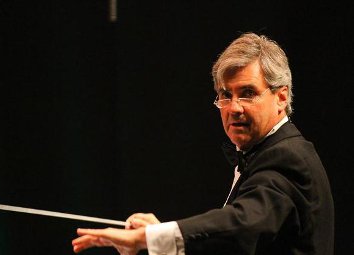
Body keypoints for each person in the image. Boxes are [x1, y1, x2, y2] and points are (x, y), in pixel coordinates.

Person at [71, 32, 334, 255]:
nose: (234, 108)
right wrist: (159, 232)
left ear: (281, 97)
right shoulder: (267, 152)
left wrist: (150, 238)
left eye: (248, 93)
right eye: (225, 95)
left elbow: (242, 224)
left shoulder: (288, 158)